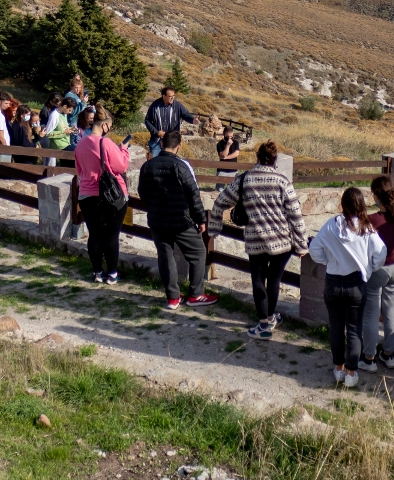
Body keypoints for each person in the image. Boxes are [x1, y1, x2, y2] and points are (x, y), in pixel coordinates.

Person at [212, 141, 307, 338]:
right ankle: (270, 317)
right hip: (282, 241)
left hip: (256, 240)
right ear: (275, 159)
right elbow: (295, 215)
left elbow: (220, 201)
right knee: (274, 280)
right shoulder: (282, 181)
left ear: (257, 157)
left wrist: (214, 228)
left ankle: (264, 324)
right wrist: (301, 245)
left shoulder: (245, 179)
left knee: (258, 279)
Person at [309, 187, 387, 389]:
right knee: (354, 329)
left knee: (336, 327)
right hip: (356, 284)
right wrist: (368, 268)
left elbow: (314, 249)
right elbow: (381, 253)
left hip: (333, 282)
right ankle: (352, 373)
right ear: (362, 205)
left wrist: (327, 261)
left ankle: (338, 369)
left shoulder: (330, 226)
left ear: (342, 205)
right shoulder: (367, 229)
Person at [138, 130, 218, 309]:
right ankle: (196, 294)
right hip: (181, 220)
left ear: (161, 144)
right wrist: (200, 219)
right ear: (179, 146)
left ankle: (172, 298)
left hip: (157, 220)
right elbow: (193, 194)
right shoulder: (181, 166)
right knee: (198, 253)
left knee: (166, 257)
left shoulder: (148, 166)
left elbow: (142, 192)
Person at [74, 105, 129, 284]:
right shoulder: (105, 143)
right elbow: (121, 166)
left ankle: (97, 272)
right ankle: (112, 273)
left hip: (86, 194)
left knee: (95, 235)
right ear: (104, 125)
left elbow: (79, 170)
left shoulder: (80, 143)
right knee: (112, 235)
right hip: (109, 196)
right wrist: (124, 150)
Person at [359, 174, 394, 372]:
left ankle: (369, 357)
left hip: (379, 268)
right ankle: (389, 354)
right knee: (391, 310)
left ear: (376, 196)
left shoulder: (372, 220)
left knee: (371, 313)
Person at [144, 86, 195, 158]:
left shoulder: (177, 105)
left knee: (169, 163)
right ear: (164, 96)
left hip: (171, 142)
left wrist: (193, 120)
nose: (172, 98)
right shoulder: (155, 106)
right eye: (170, 96)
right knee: (154, 162)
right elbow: (147, 120)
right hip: (157, 141)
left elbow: (186, 115)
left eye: (173, 96)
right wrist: (156, 132)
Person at [43, 95, 74, 164]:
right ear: (65, 106)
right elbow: (48, 133)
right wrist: (64, 132)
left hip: (64, 143)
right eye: (69, 110)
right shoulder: (54, 115)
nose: (70, 112)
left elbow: (63, 128)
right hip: (58, 146)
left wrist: (71, 129)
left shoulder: (63, 114)